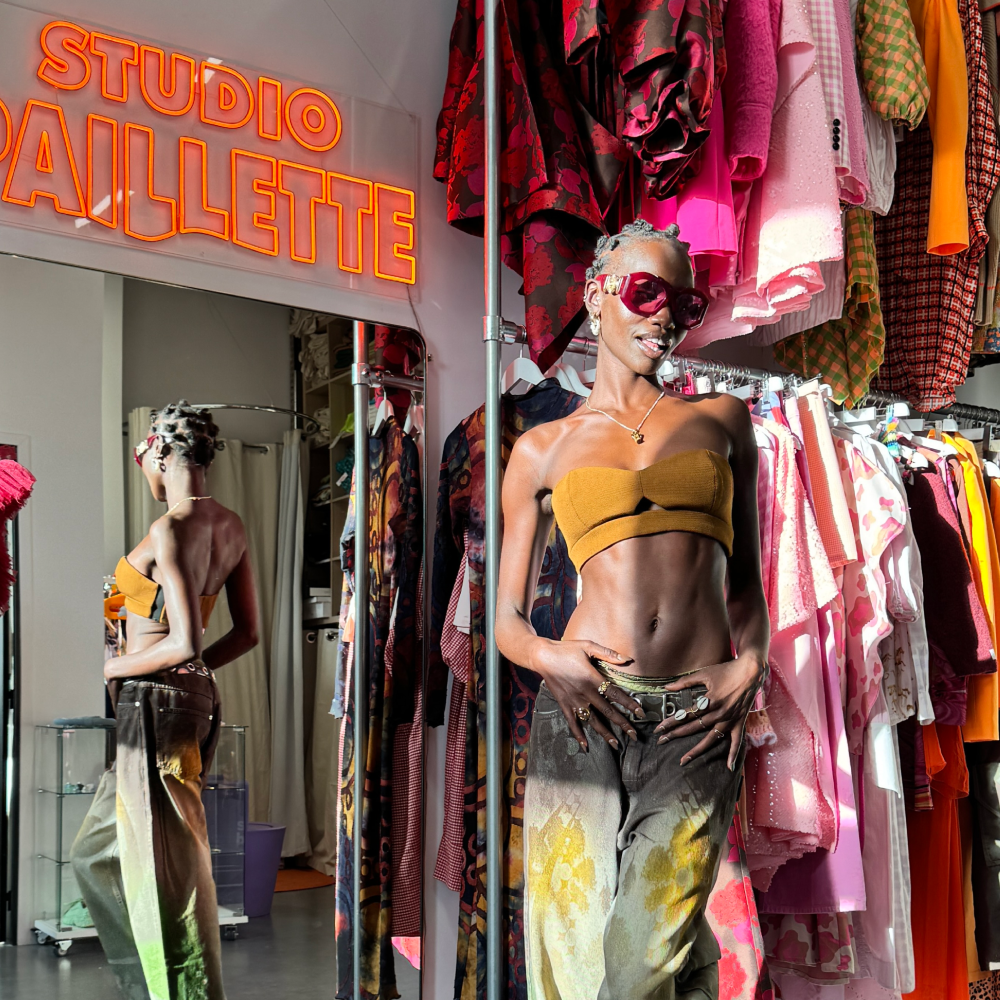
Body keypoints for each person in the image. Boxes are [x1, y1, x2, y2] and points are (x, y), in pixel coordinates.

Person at [496, 220, 770, 1000]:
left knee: (640, 959)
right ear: (595, 296)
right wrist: (548, 656)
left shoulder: (722, 421)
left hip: (694, 718)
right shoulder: (542, 449)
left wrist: (749, 668)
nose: (665, 317)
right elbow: (506, 619)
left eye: (684, 304)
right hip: (583, 711)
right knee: (572, 960)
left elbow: (746, 587)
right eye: (646, 292)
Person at [70, 402, 259, 1000]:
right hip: (177, 700)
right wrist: (193, 676)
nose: (145, 475)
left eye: (142, 462)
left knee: (170, 871)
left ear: (156, 451)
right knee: (96, 855)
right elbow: (246, 634)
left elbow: (183, 640)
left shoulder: (170, 528)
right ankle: (148, 985)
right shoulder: (232, 527)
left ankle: (189, 994)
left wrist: (112, 667)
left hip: (154, 704)